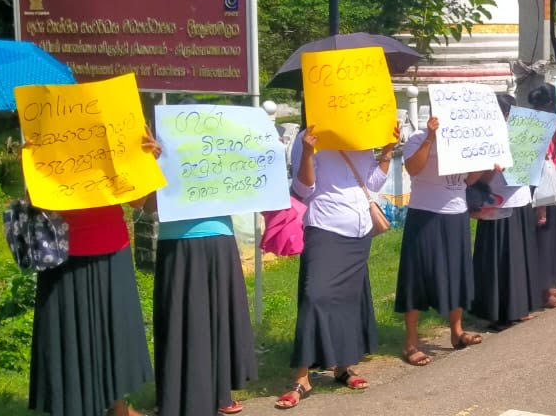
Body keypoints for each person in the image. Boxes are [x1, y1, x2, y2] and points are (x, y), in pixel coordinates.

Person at [28, 133, 159, 416]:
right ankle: (75, 407)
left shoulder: (117, 128)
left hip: (112, 246)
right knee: (70, 337)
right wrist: (29, 165)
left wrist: (146, 161)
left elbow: (137, 202)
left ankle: (119, 407)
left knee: (116, 332)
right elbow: (37, 203)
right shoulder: (47, 129)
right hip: (64, 253)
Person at [278, 124, 396, 409]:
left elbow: (374, 183)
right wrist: (307, 150)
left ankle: (343, 367)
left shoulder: (360, 137)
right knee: (314, 296)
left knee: (348, 300)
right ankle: (302, 378)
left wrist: (388, 151)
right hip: (325, 228)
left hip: (359, 233)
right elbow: (303, 188)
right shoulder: (310, 138)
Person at [396, 115, 491, 367]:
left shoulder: (462, 141)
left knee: (457, 272)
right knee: (418, 277)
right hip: (425, 214)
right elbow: (413, 169)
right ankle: (411, 343)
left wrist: (484, 163)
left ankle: (456, 332)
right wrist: (430, 137)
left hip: (456, 214)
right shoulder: (418, 137)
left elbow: (468, 180)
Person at [154, 214, 256, 416]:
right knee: (180, 322)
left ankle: (218, 393)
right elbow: (146, 205)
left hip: (215, 236)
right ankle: (180, 399)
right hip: (179, 240)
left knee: (214, 318)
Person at [471, 95, 545, 329]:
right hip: (497, 204)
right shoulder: (486, 139)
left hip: (520, 200)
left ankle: (519, 307)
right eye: (508, 114)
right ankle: (498, 312)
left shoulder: (520, 134)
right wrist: (493, 169)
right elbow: (477, 178)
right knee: (498, 260)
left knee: (519, 257)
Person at [528, 85, 556, 309]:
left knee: (553, 236)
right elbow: (537, 163)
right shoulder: (533, 127)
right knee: (542, 239)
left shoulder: (550, 125)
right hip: (539, 189)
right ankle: (541, 291)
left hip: (553, 184)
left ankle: (551, 284)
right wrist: (540, 204)